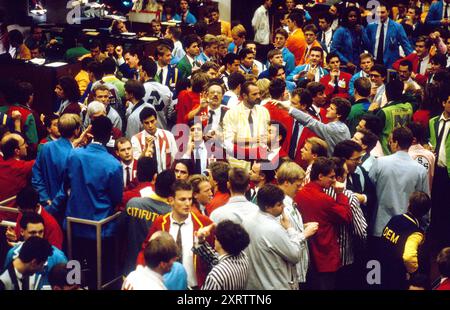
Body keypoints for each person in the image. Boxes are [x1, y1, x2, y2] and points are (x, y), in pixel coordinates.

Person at [60, 116, 123, 288]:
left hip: (74, 225)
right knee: (99, 275)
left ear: (91, 131)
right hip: (100, 228)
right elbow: (117, 198)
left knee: (75, 268)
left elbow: (66, 181)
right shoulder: (113, 164)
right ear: (110, 135)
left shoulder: (74, 154)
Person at [137, 180, 214, 289]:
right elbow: (146, 251)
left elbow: (214, 257)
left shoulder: (205, 223)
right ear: (170, 200)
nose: (187, 204)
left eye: (190, 199)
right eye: (182, 199)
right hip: (166, 285)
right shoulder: (160, 222)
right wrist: (141, 273)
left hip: (196, 287)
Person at [295, 157, 352, 290]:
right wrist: (340, 194)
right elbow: (346, 216)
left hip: (306, 254)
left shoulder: (300, 193)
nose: (334, 180)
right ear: (320, 176)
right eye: (331, 177)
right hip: (325, 255)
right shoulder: (325, 199)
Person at [369, 127, 429, 238]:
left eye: (390, 141)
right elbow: (424, 202)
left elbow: (369, 188)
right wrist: (424, 227)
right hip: (406, 230)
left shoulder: (380, 163)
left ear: (396, 143)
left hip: (381, 225)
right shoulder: (420, 170)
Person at [243, 184, 303, 290]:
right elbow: (295, 255)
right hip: (275, 284)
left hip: (254, 284)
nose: (284, 207)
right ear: (268, 207)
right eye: (279, 204)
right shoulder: (273, 228)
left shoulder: (247, 220)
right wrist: (290, 229)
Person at [378, 191, 431, 290]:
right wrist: (414, 273)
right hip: (397, 276)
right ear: (425, 212)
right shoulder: (416, 233)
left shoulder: (394, 219)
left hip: (382, 269)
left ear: (409, 204)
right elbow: (408, 257)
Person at [277, 161, 318, 285]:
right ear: (286, 183)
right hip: (289, 274)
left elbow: (289, 228)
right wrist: (305, 233)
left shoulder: (289, 203)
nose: (300, 189)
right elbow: (283, 241)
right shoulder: (279, 206)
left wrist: (302, 226)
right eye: (297, 185)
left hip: (298, 271)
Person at [32, 114, 83, 213]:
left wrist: (45, 199)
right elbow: (69, 187)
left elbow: (36, 176)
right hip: (64, 209)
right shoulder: (75, 156)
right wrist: (54, 205)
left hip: (46, 205)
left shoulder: (46, 147)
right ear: (76, 131)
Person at [125, 170, 174, 273]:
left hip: (130, 267)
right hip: (156, 271)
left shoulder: (133, 203)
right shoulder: (171, 215)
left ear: (155, 181)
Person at [3, 213, 67, 290]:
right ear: (22, 232)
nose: (37, 236)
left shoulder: (58, 258)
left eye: (41, 232)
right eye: (32, 233)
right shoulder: (12, 254)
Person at [278, 97, 351, 156]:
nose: (327, 109)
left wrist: (289, 109)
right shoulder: (345, 128)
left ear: (339, 115)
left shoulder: (332, 129)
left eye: (331, 108)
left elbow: (310, 121)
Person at [193, 220, 250, 290]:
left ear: (221, 243)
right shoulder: (243, 257)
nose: (214, 240)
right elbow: (215, 260)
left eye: (216, 238)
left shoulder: (216, 275)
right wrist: (201, 240)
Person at [223, 81, 270, 156]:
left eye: (259, 93)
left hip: (260, 157)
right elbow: (229, 139)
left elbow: (268, 134)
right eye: (254, 94)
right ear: (245, 96)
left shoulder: (264, 111)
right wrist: (251, 140)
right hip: (239, 158)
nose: (258, 96)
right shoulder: (232, 113)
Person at [429, 90, 450, 250]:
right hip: (435, 171)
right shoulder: (433, 121)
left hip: (448, 171)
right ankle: (434, 240)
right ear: (443, 103)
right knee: (435, 205)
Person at [365, 2, 414, 68]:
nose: (380, 15)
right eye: (378, 12)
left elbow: (406, 46)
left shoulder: (397, 27)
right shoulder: (370, 26)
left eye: (382, 12)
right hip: (374, 63)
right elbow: (366, 43)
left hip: (390, 64)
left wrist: (412, 62)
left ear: (388, 12)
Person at [375, 79, 416, 155]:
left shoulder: (384, 111)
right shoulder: (409, 107)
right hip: (405, 151)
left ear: (386, 93)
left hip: (386, 152)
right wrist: (403, 95)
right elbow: (415, 99)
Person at [131, 107, 177, 172]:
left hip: (165, 177)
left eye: (152, 121)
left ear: (156, 120)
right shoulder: (136, 139)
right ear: (142, 123)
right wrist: (145, 150)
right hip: (147, 177)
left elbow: (174, 158)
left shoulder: (168, 135)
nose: (150, 125)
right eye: (146, 123)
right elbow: (136, 162)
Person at [0, 133, 34, 210]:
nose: (26, 146)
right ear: (17, 151)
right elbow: (41, 160)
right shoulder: (21, 167)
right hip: (12, 214)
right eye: (23, 143)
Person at [330, 6, 369, 72]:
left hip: (359, 66)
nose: (353, 18)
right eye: (350, 16)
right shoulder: (340, 31)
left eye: (355, 16)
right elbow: (333, 49)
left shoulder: (361, 28)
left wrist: (361, 32)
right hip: (345, 66)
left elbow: (368, 46)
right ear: (346, 17)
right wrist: (346, 62)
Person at [139, 58, 173, 130]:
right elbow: (170, 113)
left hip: (145, 130)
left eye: (140, 71)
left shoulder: (140, 90)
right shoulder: (166, 89)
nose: (139, 74)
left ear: (144, 73)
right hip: (163, 129)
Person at [407, 122, 436, 192]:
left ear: (414, 139)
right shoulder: (431, 155)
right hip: (426, 196)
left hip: (409, 198)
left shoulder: (406, 155)